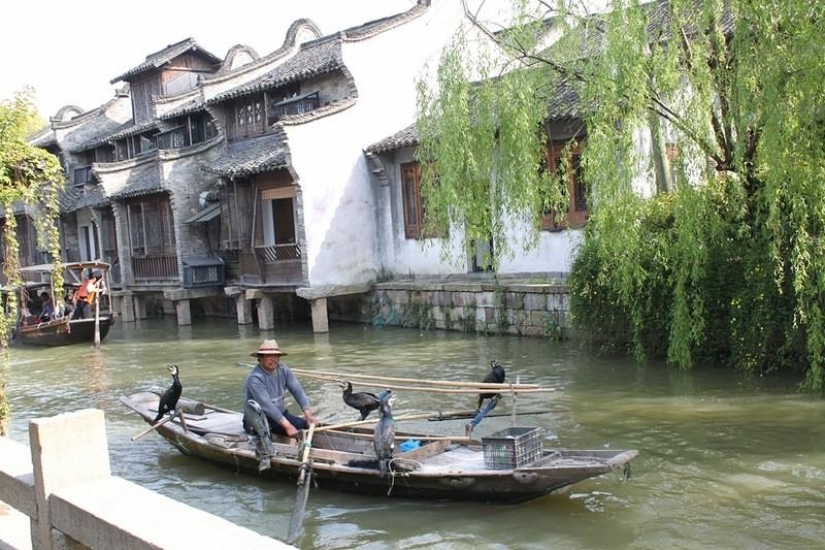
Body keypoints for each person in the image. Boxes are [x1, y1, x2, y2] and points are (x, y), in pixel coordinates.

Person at [243, 339, 316, 438]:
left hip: (280, 414)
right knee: (271, 438)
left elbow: (297, 391)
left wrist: (308, 414)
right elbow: (267, 406)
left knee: (304, 426)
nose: (274, 359)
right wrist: (288, 426)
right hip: (259, 419)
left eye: (276, 356)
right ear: (260, 358)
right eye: (269, 356)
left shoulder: (283, 370)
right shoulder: (255, 378)